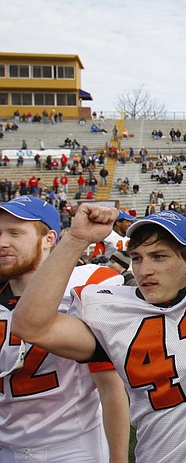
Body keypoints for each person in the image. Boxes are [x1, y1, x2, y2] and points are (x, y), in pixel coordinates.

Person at [12, 208, 186, 461]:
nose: (143, 270)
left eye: (159, 256)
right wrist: (76, 239)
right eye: (137, 257)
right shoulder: (112, 311)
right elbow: (32, 326)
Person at [0, 196, 130, 462]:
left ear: (49, 239)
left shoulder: (83, 287)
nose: (2, 243)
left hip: (73, 447)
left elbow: (110, 386)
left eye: (15, 233)